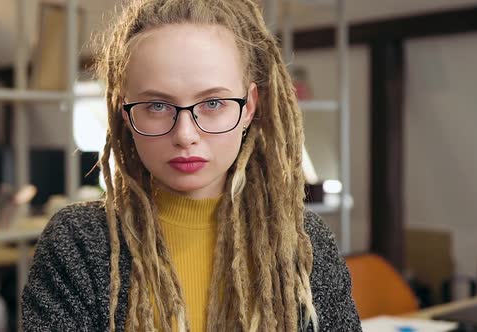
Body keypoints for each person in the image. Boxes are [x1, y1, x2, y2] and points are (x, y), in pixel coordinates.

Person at [21, 0, 361, 331]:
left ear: (248, 107)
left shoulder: (304, 241)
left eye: (213, 103)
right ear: (126, 111)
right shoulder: (79, 242)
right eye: (156, 105)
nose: (185, 135)